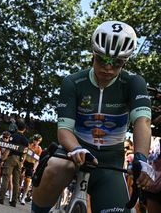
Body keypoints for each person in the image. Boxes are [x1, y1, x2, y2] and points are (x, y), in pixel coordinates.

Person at [31, 21, 153, 213]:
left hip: (110, 162)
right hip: (73, 152)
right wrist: (78, 149)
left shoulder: (134, 82)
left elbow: (143, 121)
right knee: (55, 167)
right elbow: (64, 130)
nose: (108, 68)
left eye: (117, 63)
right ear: (93, 54)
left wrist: (141, 159)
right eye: (102, 60)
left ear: (125, 62)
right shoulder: (73, 82)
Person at [0, 119, 28, 207]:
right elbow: (25, 152)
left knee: (6, 178)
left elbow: (9, 148)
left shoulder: (13, 136)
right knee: (16, 181)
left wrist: (3, 158)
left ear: (17, 127)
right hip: (20, 159)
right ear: (24, 129)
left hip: (11, 158)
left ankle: (1, 198)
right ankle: (14, 201)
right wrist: (22, 162)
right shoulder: (25, 140)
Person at [19, 134, 43, 205]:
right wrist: (22, 163)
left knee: (28, 181)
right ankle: (18, 192)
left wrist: (34, 169)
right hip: (25, 162)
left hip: (31, 165)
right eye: (35, 139)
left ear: (39, 141)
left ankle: (24, 197)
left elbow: (37, 160)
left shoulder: (39, 149)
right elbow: (25, 154)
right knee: (20, 177)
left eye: (37, 140)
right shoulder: (29, 145)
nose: (35, 141)